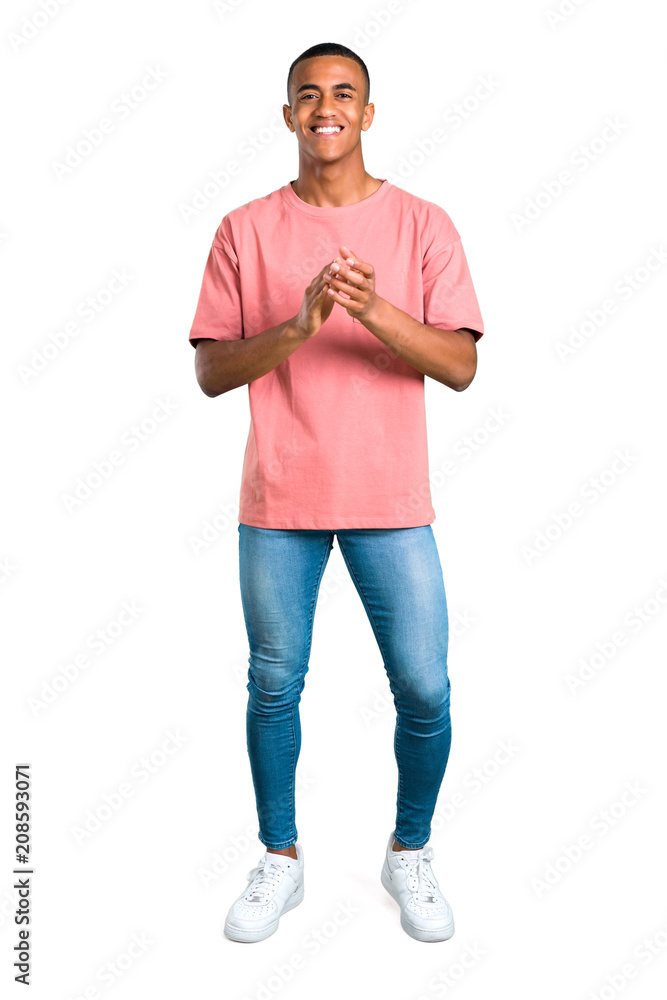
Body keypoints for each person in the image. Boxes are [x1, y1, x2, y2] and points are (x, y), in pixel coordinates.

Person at [188, 42, 485, 944]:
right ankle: (280, 860)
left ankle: (410, 851)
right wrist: (302, 323)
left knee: (424, 689)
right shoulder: (244, 229)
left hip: (391, 502)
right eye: (307, 95)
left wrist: (372, 310)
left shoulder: (423, 223)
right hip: (279, 502)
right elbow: (210, 371)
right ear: (287, 116)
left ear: (367, 112)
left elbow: (462, 366)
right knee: (273, 685)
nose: (326, 107)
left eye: (343, 94)